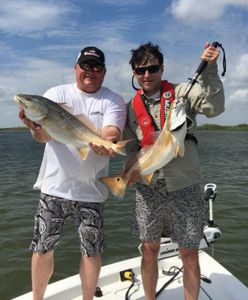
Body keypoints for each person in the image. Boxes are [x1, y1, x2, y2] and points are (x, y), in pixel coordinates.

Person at [19, 46, 126, 300]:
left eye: (96, 66)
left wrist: (108, 143)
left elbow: (112, 133)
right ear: (75, 68)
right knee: (42, 247)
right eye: (85, 65)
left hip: (92, 192)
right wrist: (35, 129)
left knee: (91, 251)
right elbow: (43, 136)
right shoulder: (55, 95)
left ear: (104, 71)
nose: (90, 71)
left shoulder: (113, 100)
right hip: (54, 189)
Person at [123, 42, 225, 300]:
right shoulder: (129, 108)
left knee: (189, 252)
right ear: (134, 74)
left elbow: (215, 108)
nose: (147, 75)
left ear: (162, 68)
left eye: (152, 68)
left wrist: (210, 68)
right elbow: (132, 147)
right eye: (141, 70)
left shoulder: (182, 93)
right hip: (148, 190)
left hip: (185, 186)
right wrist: (131, 171)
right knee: (148, 249)